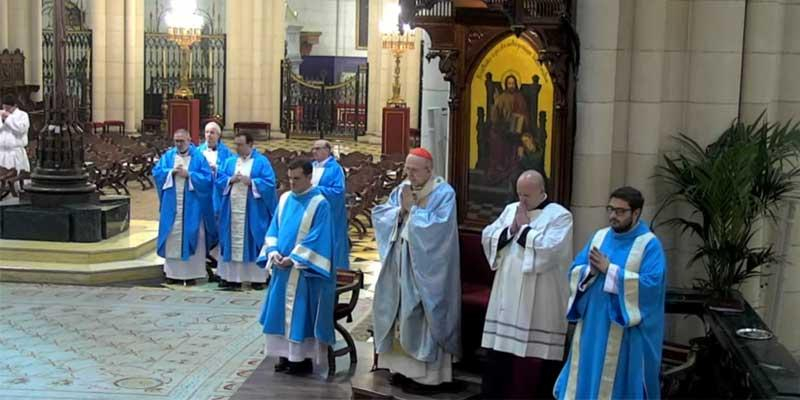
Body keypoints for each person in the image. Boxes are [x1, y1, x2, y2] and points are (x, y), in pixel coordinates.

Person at [553, 186, 667, 400]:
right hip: (593, 326)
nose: (613, 215)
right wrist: (590, 272)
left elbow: (651, 286)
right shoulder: (599, 236)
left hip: (625, 333)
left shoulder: (649, 245)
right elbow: (575, 270)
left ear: (636, 213)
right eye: (610, 209)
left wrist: (610, 270)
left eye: (620, 211)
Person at [372, 147, 461, 395]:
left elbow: (439, 231)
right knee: (398, 313)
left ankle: (427, 378)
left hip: (429, 270)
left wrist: (413, 211)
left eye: (413, 170)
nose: (408, 174)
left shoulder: (444, 193)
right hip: (399, 264)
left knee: (421, 314)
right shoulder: (402, 190)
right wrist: (400, 211)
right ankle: (400, 370)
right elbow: (383, 215)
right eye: (406, 169)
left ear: (429, 170)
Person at [480, 170, 573, 399]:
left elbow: (550, 252)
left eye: (527, 195)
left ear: (542, 191)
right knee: (500, 356)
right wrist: (511, 229)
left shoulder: (560, 216)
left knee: (535, 357)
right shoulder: (511, 210)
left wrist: (524, 230)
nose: (521, 200)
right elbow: (488, 235)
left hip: (541, 297)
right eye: (519, 194)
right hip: (506, 295)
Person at [256, 158, 336, 375]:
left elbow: (319, 238)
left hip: (303, 272)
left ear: (309, 177)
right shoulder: (283, 199)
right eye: (289, 179)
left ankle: (301, 360)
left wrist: (293, 258)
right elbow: (274, 229)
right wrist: (273, 252)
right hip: (282, 269)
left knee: (300, 315)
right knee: (280, 314)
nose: (292, 183)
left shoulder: (320, 204)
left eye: (297, 179)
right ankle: (284, 356)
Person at [152, 129, 214, 285]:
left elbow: (207, 179)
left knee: (193, 235)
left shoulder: (198, 157)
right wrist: (170, 172)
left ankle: (192, 274)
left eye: (182, 141)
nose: (178, 144)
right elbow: (157, 172)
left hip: (192, 206)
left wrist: (190, 175)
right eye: (176, 141)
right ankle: (172, 274)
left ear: (189, 140)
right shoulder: (168, 156)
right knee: (172, 235)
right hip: (172, 205)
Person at [216, 132, 277, 290]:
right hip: (232, 210)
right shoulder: (229, 162)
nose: (237, 148)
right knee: (231, 241)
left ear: (250, 144)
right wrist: (230, 180)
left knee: (253, 241)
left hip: (252, 211)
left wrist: (252, 182)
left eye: (241, 144)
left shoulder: (261, 162)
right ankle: (231, 278)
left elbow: (270, 184)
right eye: (236, 144)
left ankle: (257, 278)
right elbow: (218, 180)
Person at [198, 121, 234, 283]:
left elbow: (230, 172)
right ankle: (203, 258)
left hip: (218, 196)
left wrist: (216, 171)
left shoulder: (227, 154)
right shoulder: (197, 152)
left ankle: (216, 259)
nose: (209, 135)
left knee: (218, 224)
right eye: (206, 132)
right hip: (202, 196)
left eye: (212, 132)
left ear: (219, 136)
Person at [310, 139, 349, 270]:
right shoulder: (311, 166)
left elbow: (338, 191)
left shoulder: (335, 169)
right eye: (313, 148)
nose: (314, 151)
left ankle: (334, 270)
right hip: (311, 211)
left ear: (327, 151)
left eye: (318, 148)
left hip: (329, 212)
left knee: (330, 241)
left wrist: (316, 190)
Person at [0, 95, 31, 174]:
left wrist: (8, 118)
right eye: (4, 108)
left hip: (15, 152)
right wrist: (2, 120)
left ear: (15, 106)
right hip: (2, 152)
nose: (6, 110)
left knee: (14, 177)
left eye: (8, 108)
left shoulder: (22, 115)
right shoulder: (1, 114)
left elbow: (21, 130)